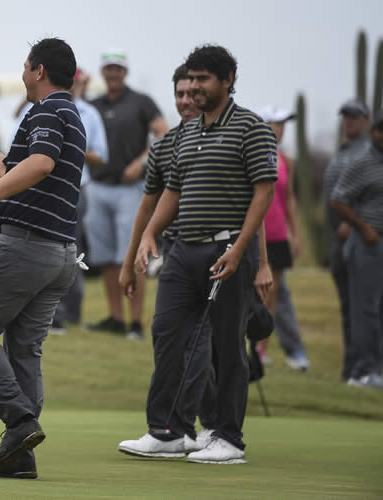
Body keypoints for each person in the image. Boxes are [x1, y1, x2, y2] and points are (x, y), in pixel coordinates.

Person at [119, 45, 277, 464]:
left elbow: (263, 194)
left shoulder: (251, 128)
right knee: (166, 334)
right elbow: (172, 192)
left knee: (227, 345)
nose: (194, 87)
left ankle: (228, 437)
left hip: (226, 249)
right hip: (183, 251)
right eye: (191, 79)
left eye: (203, 79)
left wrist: (242, 250)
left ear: (227, 81)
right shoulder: (187, 135)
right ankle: (167, 432)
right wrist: (149, 234)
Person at [0, 38, 84, 479]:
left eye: (26, 66)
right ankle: (19, 454)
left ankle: (20, 422)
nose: (24, 73)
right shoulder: (70, 114)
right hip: (60, 253)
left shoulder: (46, 110)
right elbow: (12, 171)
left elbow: (39, 164)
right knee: (24, 349)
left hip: (25, 246)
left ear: (39, 70)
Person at [88, 50, 169, 339]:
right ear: (103, 72)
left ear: (125, 72)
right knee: (106, 257)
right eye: (109, 69)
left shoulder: (141, 101)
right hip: (98, 187)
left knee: (132, 255)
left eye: (118, 69)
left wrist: (142, 161)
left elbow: (163, 132)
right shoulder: (93, 105)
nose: (113, 74)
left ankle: (135, 323)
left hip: (130, 190)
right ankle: (116, 318)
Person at [329, 110, 383, 390]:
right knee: (365, 310)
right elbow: (337, 199)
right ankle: (362, 372)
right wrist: (362, 227)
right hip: (366, 243)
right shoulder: (362, 162)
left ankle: (375, 368)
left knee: (377, 309)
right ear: (374, 132)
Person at [51, 67, 107, 332]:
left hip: (76, 189)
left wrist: (70, 144)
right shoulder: (44, 107)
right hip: (46, 187)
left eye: (77, 82)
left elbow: (101, 156)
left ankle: (67, 311)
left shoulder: (90, 114)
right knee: (51, 248)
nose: (73, 86)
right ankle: (57, 311)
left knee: (69, 249)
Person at [256, 105, 309, 371]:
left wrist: (295, 233)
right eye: (276, 124)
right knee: (250, 292)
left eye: (283, 125)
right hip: (255, 234)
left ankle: (260, 348)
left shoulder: (286, 160)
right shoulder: (252, 154)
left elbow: (289, 200)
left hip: (277, 236)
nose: (281, 129)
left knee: (272, 294)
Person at [324, 98, 372, 381]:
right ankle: (350, 366)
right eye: (345, 116)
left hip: (357, 238)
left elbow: (371, 193)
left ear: (366, 121)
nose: (349, 121)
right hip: (338, 241)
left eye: (354, 116)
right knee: (347, 307)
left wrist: (351, 222)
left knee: (361, 308)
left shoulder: (368, 152)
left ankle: (363, 367)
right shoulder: (342, 151)